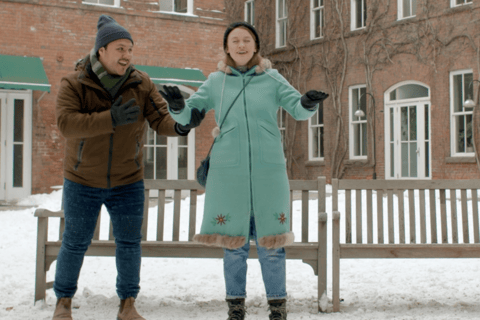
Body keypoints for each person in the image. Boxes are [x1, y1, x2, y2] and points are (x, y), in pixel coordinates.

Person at [162, 21, 328, 320]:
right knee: (233, 246)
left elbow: (297, 109)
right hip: (227, 174)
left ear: (256, 46)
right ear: (227, 47)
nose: (241, 45)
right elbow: (191, 114)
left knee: (272, 245)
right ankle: (235, 305)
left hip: (269, 172)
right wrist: (177, 106)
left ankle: (278, 306)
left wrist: (308, 102)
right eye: (235, 40)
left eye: (247, 40)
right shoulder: (215, 81)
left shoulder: (272, 78)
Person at [52, 15, 202, 320]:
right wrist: (110, 118)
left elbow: (161, 120)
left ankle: (128, 304)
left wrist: (182, 124)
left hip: (127, 180)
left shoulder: (140, 82)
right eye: (120, 48)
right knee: (75, 242)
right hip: (83, 180)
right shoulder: (74, 82)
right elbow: (66, 125)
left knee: (130, 243)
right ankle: (63, 302)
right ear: (102, 51)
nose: (127, 55)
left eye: (130, 49)